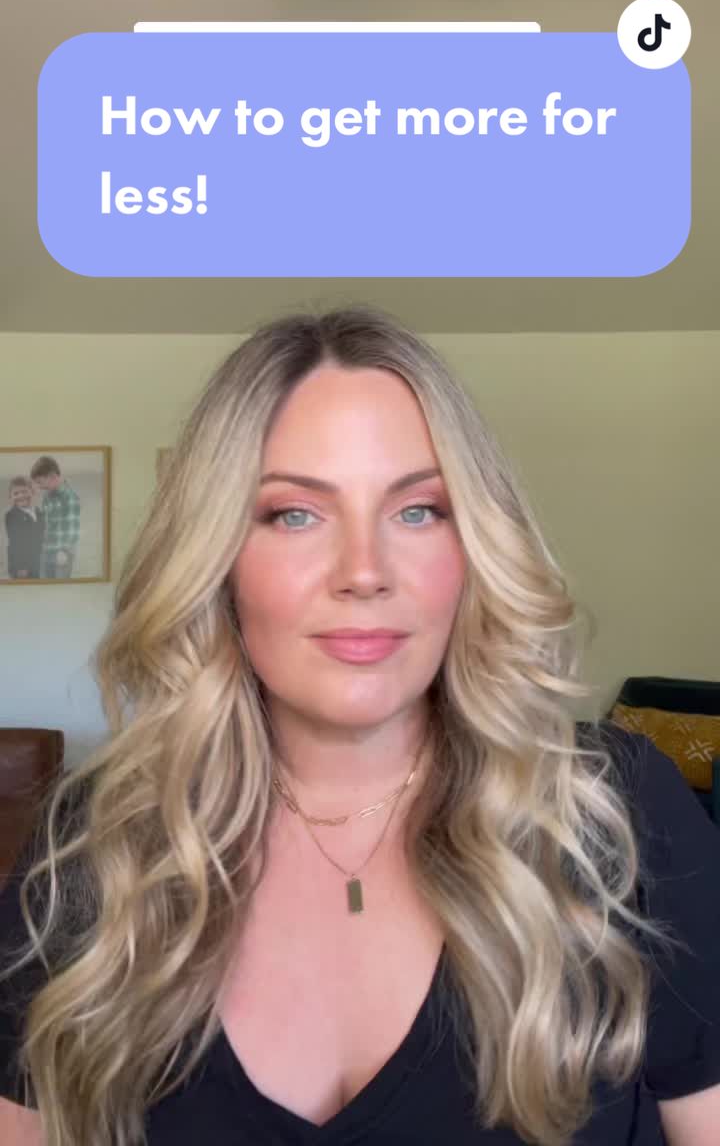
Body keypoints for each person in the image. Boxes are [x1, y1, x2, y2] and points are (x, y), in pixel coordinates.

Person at [1, 304, 719, 1146]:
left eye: (418, 510)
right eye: (293, 514)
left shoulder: (620, 815)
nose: (365, 572)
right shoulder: (94, 843)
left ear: (475, 547)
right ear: (217, 559)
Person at [29, 456, 80, 580]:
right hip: (46, 551)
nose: (39, 486)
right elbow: (46, 522)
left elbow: (72, 529)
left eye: (40, 482)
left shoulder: (70, 497)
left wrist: (64, 551)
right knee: (44, 584)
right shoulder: (47, 496)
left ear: (52, 476)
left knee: (59, 586)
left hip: (62, 554)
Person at [3, 477, 44, 579]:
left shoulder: (39, 512)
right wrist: (21, 566)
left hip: (38, 563)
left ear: (32, 492)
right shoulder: (12, 516)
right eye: (16, 493)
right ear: (10, 497)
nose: (20, 496)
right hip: (22, 567)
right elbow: (16, 542)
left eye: (24, 491)